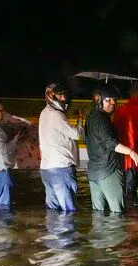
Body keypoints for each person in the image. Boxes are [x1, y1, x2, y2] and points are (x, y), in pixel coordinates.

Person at [84, 84, 138, 213]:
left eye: (114, 100)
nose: (112, 103)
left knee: (98, 212)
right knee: (117, 212)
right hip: (109, 171)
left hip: (94, 172)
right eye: (108, 100)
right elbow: (110, 142)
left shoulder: (91, 117)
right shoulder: (101, 119)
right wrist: (132, 152)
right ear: (98, 99)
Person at [38, 81, 83, 211]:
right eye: (61, 95)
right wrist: (80, 118)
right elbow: (77, 135)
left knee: (53, 210)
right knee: (68, 210)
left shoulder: (44, 113)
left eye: (65, 95)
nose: (64, 99)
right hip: (61, 168)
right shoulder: (56, 114)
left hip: (47, 169)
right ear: (51, 96)